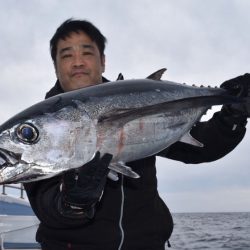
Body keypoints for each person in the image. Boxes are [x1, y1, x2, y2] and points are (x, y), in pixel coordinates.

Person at [24, 19, 250, 250]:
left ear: (103, 61)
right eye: (66, 55)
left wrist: (232, 117)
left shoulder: (137, 98)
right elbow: (45, 202)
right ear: (55, 66)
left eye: (87, 52)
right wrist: (72, 203)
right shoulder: (39, 128)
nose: (78, 62)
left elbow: (201, 147)